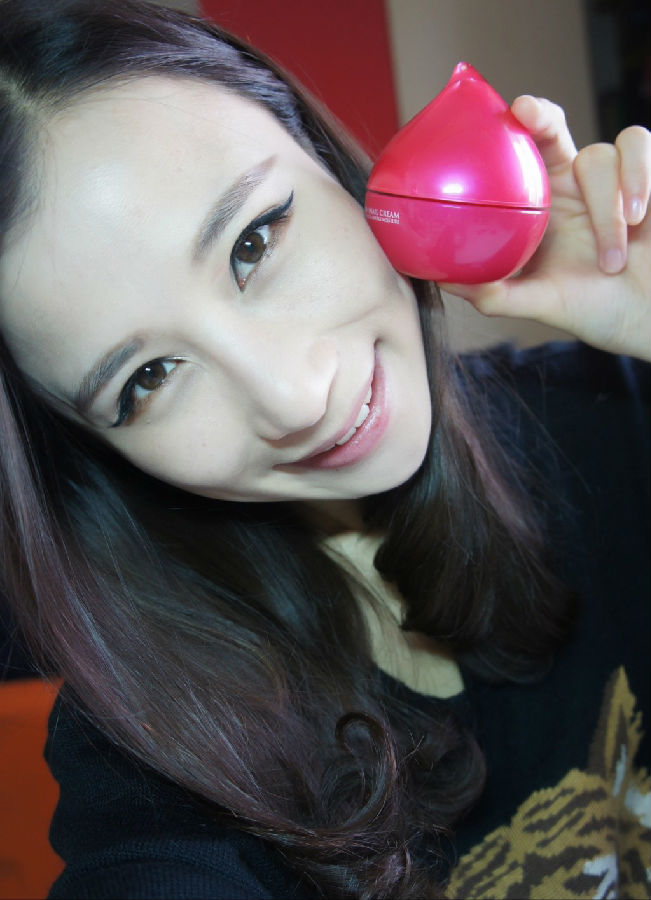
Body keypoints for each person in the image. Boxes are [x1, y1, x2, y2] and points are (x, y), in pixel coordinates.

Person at [0, 1, 649, 897]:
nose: (296, 400)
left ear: (329, 163)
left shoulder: (614, 411)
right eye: (146, 379)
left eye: (254, 242)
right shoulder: (151, 762)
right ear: (91, 449)